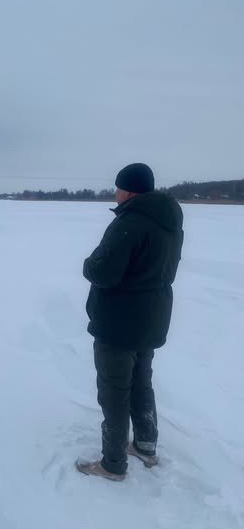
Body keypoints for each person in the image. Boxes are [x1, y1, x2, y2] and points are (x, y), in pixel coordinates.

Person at [76, 163, 184, 481]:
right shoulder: (169, 222)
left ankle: (112, 464)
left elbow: (104, 272)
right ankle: (146, 446)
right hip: (151, 319)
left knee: (114, 390)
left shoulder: (129, 223)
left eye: (118, 187)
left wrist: (88, 264)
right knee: (141, 382)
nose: (115, 193)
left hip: (119, 323)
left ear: (128, 191)